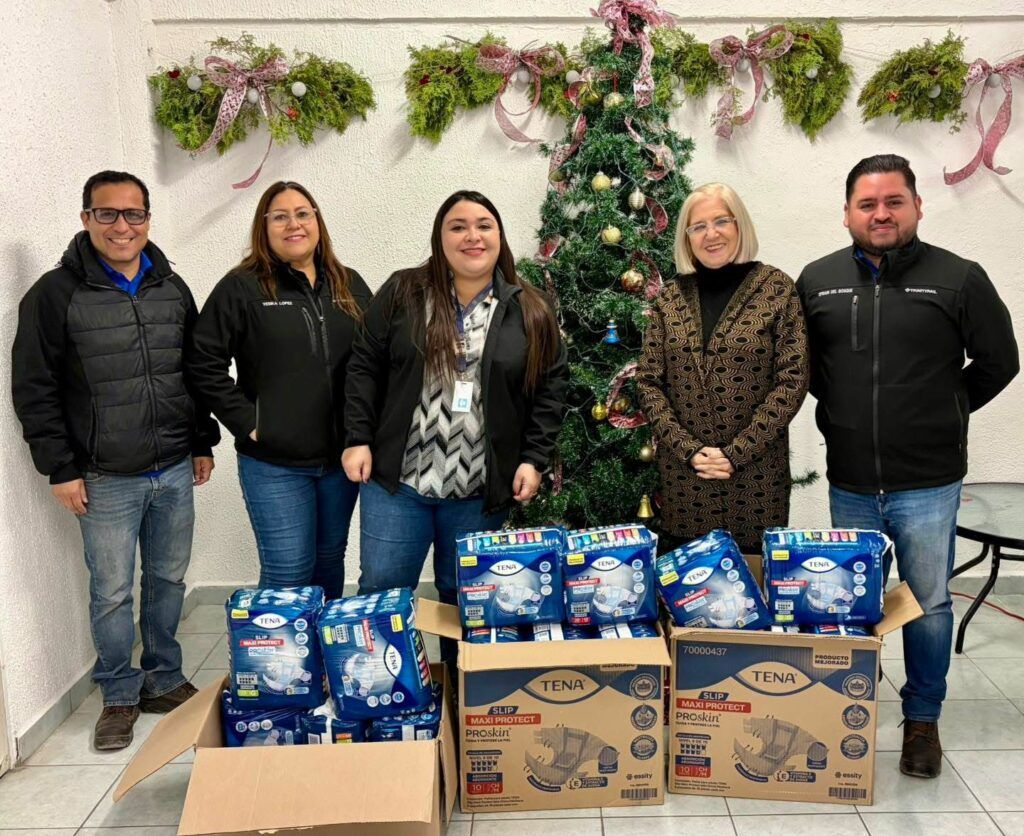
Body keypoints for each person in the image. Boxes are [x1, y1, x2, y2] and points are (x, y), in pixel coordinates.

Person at [797, 154, 1019, 779]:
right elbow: (805, 368)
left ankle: (922, 719)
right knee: (849, 599)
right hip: (850, 479)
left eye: (894, 201)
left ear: (917, 206)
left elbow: (1000, 360)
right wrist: (842, 412)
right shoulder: (816, 281)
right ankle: (849, 707)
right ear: (846, 214)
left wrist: (945, 410)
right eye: (867, 204)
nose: (881, 213)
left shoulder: (959, 278)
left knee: (928, 602)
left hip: (928, 482)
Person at [11, 171, 219, 751]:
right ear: (86, 219)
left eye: (133, 214)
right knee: (111, 593)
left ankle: (163, 677)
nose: (121, 226)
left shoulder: (171, 286)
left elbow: (192, 371)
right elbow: (34, 388)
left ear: (148, 219)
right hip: (103, 477)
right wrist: (60, 467)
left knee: (168, 579)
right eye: (107, 213)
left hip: (172, 467)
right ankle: (120, 693)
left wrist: (201, 440)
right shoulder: (54, 295)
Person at [342, 190, 568, 650]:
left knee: (468, 601)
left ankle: (459, 688)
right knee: (382, 594)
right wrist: (357, 437)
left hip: (478, 492)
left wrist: (533, 459)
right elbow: (363, 364)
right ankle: (388, 686)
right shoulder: (404, 291)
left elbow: (551, 389)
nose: (472, 236)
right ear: (440, 237)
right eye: (458, 226)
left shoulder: (531, 308)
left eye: (484, 225)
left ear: (499, 236)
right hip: (398, 484)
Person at [190, 181, 371, 600]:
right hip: (275, 464)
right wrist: (248, 422)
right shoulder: (242, 287)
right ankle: (278, 647)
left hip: (339, 462)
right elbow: (202, 362)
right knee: (288, 570)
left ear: (317, 222)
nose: (294, 224)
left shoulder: (350, 284)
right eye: (280, 217)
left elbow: (374, 359)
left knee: (329, 563)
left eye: (303, 214)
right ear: (264, 226)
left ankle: (323, 645)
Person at [637, 182, 809, 554]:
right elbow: (649, 382)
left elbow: (792, 380)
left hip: (756, 478)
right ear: (687, 238)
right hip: (687, 478)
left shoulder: (776, 289)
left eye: (721, 221)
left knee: (756, 579)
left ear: (739, 225)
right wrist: (689, 450)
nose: (711, 234)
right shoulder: (669, 298)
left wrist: (737, 452)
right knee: (691, 581)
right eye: (698, 226)